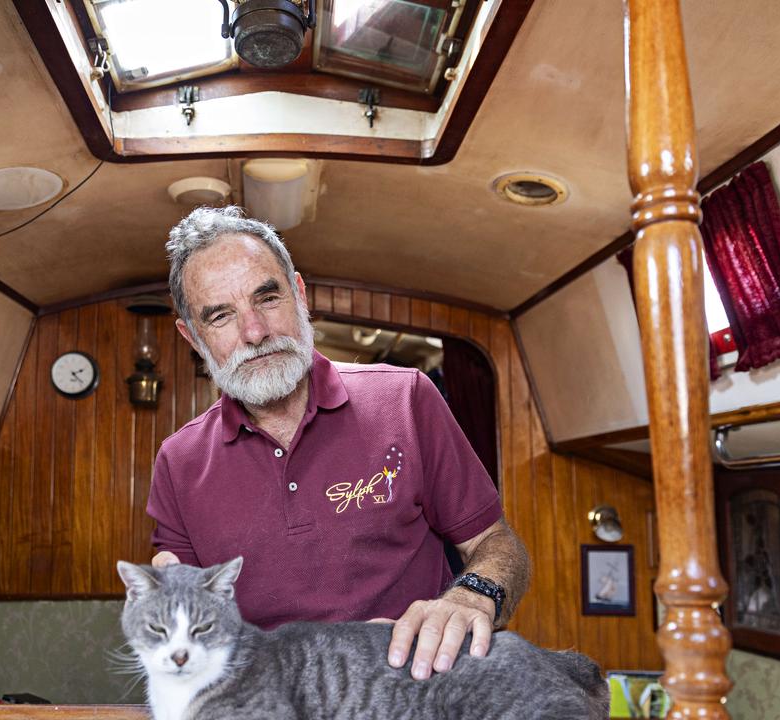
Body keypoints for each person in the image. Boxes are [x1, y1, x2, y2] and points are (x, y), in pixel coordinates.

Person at [146, 206, 531, 681]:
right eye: (221, 316)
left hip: (411, 695)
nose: (255, 332)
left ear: (300, 294)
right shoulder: (178, 462)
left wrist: (470, 596)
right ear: (193, 336)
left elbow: (497, 543)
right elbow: (179, 620)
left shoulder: (407, 398)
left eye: (267, 298)